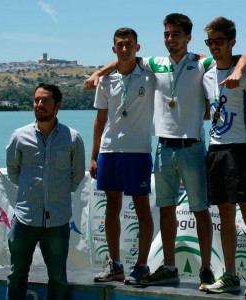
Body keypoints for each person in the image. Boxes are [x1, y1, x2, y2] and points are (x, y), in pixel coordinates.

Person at [85, 13, 246, 290]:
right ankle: (170, 267)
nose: (170, 39)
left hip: (193, 146)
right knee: (166, 210)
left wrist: (237, 71)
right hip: (162, 147)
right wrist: (99, 72)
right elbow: (124, 59)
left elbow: (243, 57)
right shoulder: (154, 63)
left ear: (188, 38)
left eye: (175, 34)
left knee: (200, 211)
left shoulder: (201, 62)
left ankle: (207, 269)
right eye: (166, 34)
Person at [202, 17, 246, 298]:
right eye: (210, 42)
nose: (215, 47)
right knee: (224, 215)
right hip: (215, 150)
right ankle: (229, 275)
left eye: (219, 41)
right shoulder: (206, 74)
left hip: (241, 149)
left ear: (231, 42)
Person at [6, 83, 85, 300]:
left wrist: (55, 195)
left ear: (57, 105)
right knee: (16, 275)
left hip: (57, 223)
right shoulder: (19, 136)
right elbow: (13, 171)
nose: (39, 104)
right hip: (24, 220)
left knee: (58, 278)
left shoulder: (73, 138)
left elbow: (77, 176)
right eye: (36, 100)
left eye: (45, 101)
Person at [90, 28, 155, 285]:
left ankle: (141, 265)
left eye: (129, 44)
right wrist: (94, 156)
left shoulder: (149, 76)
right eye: (120, 45)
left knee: (142, 210)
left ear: (138, 48)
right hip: (109, 151)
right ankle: (115, 264)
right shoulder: (105, 81)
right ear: (113, 48)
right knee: (112, 207)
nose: (124, 49)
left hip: (138, 152)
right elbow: (99, 120)